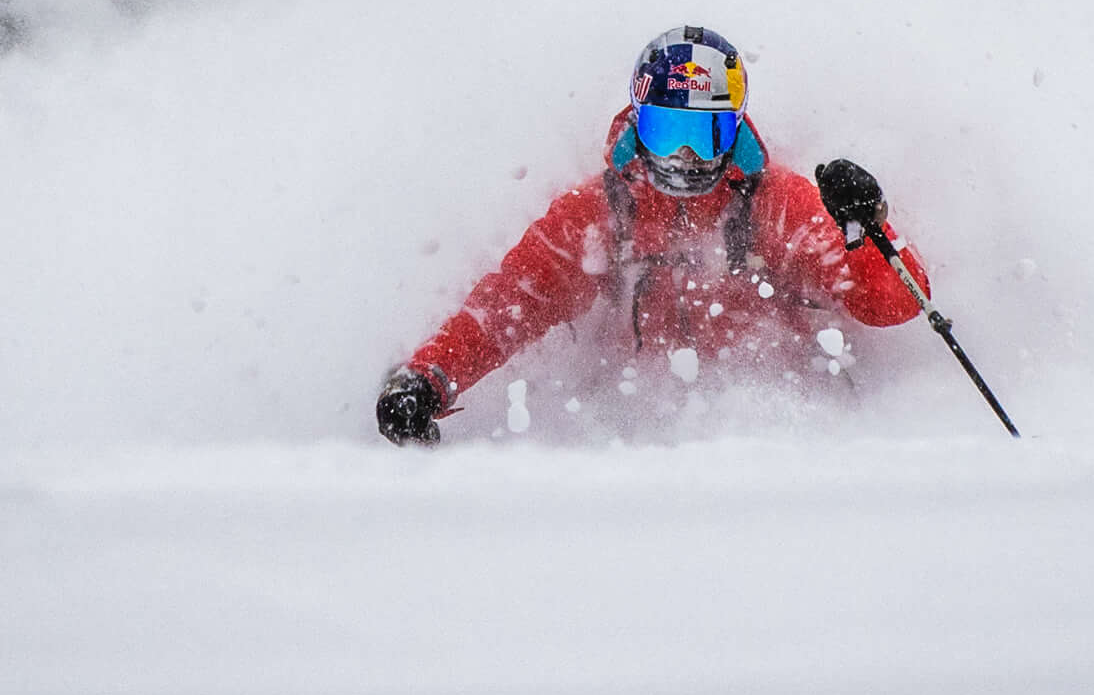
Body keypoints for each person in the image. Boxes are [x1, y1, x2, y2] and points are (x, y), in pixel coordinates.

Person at [375, 24, 934, 442]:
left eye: (707, 133)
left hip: (787, 432)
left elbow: (894, 306)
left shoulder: (775, 203)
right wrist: (429, 378)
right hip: (637, 433)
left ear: (734, 131)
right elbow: (512, 302)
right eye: (667, 131)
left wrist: (866, 229)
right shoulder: (603, 212)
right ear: (638, 124)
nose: (686, 156)